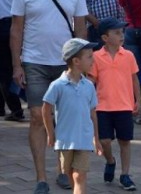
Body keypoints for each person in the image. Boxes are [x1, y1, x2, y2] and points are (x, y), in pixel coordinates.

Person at [11, 0, 88, 194]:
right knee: (36, 117)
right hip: (35, 61)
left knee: (65, 119)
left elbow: (80, 26)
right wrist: (16, 64)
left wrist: (83, 61)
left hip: (66, 63)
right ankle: (41, 177)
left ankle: (62, 169)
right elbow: (17, 28)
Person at [42, 38, 101, 194]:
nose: (93, 60)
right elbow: (46, 108)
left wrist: (96, 138)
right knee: (69, 175)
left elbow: (92, 113)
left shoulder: (89, 86)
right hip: (65, 139)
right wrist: (50, 134)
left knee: (79, 176)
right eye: (89, 56)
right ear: (76, 61)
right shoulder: (57, 85)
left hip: (84, 138)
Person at [88, 18, 141, 191]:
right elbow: (91, 81)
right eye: (117, 33)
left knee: (125, 141)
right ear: (105, 37)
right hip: (102, 106)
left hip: (124, 105)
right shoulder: (96, 57)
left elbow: (134, 79)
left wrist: (138, 100)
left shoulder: (129, 55)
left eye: (122, 32)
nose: (121, 36)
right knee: (104, 141)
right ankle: (110, 161)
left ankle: (125, 174)